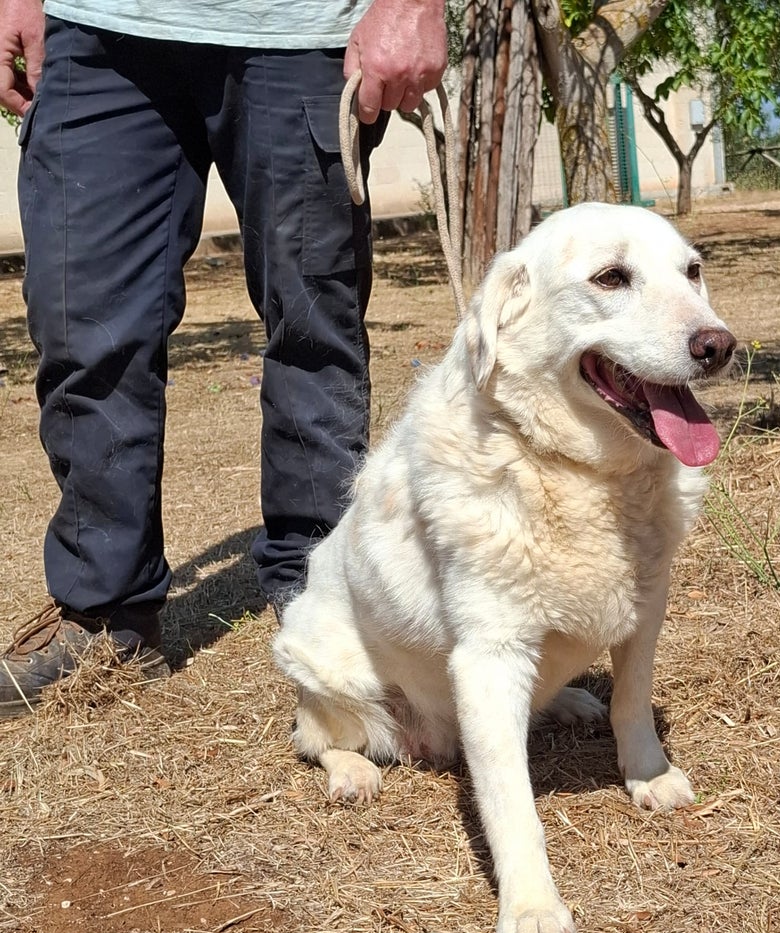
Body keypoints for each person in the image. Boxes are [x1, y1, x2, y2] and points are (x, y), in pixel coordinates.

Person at [0, 0, 447, 715]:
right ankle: (103, 614)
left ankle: (327, 597)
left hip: (300, 32)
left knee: (312, 327)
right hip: (98, 26)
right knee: (80, 320)